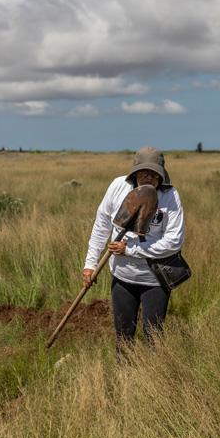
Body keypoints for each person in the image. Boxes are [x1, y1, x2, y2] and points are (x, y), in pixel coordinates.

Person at [83, 146, 185, 347]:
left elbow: (173, 241)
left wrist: (130, 249)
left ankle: (152, 376)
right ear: (135, 173)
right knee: (123, 337)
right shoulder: (117, 186)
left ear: (161, 175)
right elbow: (102, 224)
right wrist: (90, 264)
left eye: (154, 174)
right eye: (144, 173)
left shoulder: (170, 196)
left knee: (153, 338)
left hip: (154, 280)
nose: (149, 178)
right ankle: (123, 377)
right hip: (122, 277)